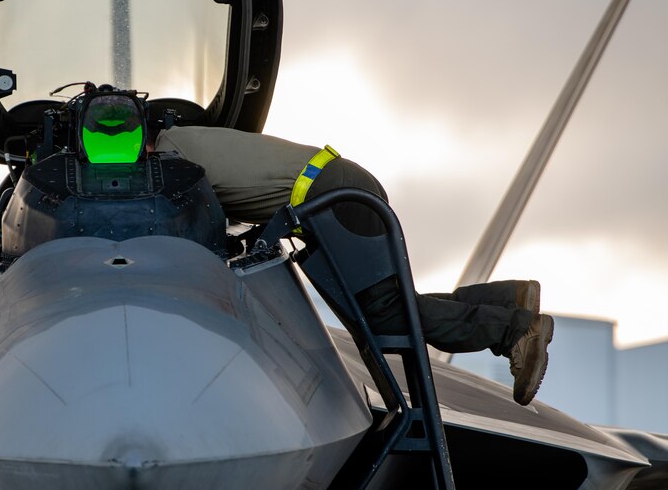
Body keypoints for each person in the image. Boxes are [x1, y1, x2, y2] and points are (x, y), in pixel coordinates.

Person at [154, 126, 554, 405]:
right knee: (394, 306)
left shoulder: (173, 155)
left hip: (332, 197)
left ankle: (514, 331)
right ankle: (507, 300)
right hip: (335, 189)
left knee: (385, 317)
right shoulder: (190, 140)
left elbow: (192, 233)